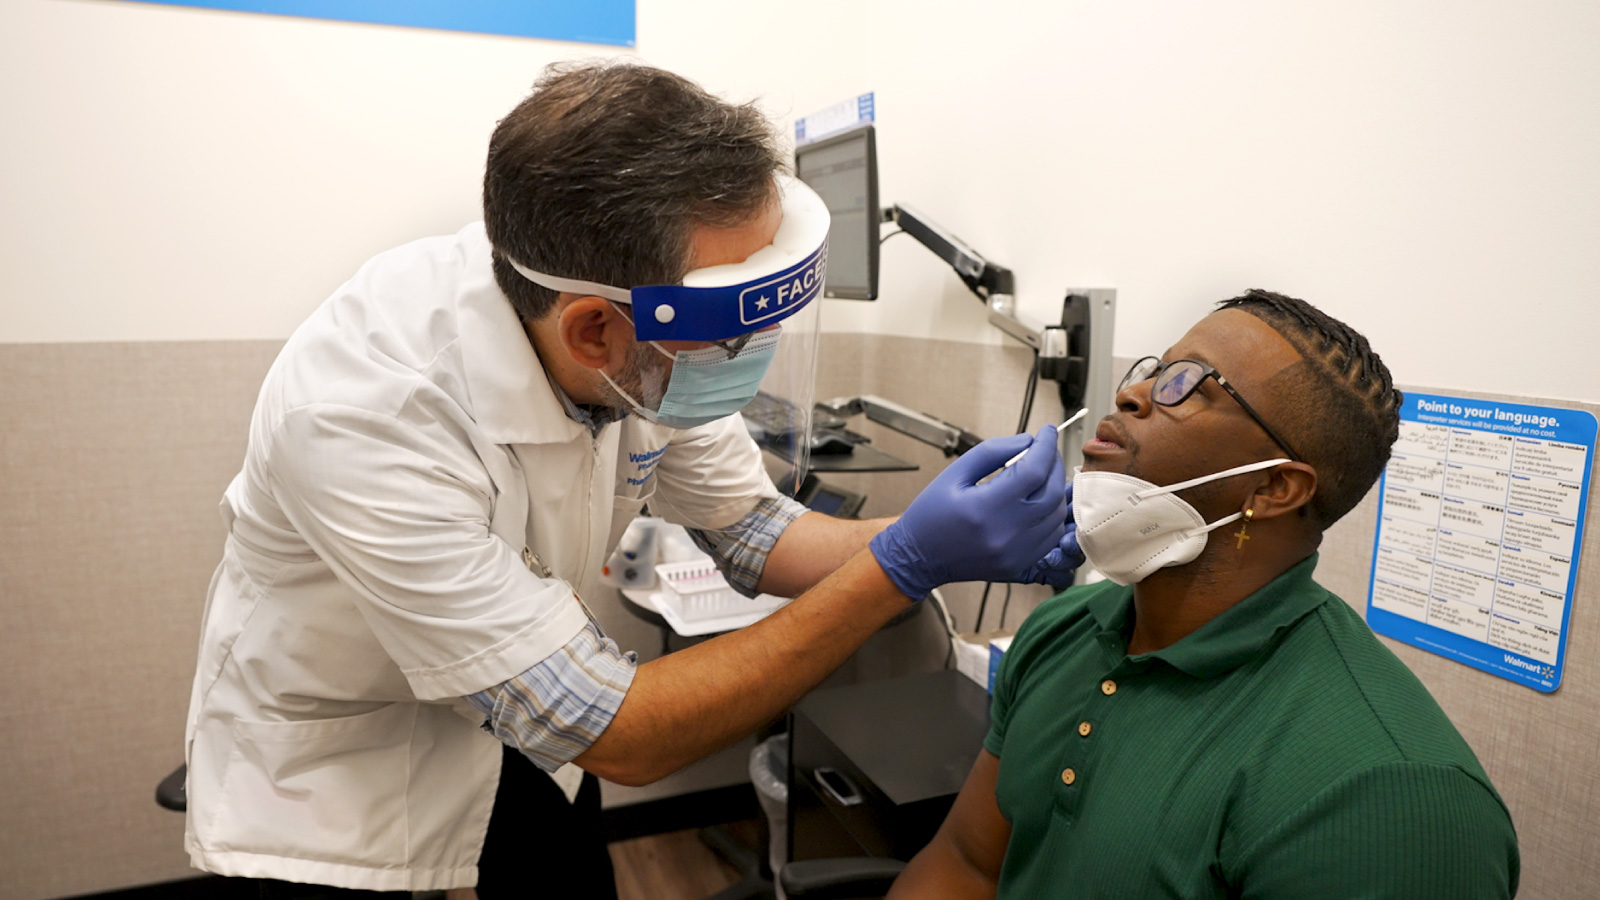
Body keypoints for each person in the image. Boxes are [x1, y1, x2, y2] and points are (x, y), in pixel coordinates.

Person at [182, 61, 1080, 899]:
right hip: (341, 774)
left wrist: (949, 535)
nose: (747, 357)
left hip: (521, 735)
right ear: (592, 333)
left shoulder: (645, 345)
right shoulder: (363, 413)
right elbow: (625, 734)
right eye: (731, 337)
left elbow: (754, 534)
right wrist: (901, 566)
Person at [889, 290, 1520, 899]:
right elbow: (966, 865)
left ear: (1273, 488)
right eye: (1153, 371)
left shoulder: (1390, 793)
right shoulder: (1063, 627)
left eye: (1185, 384)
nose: (1130, 393)